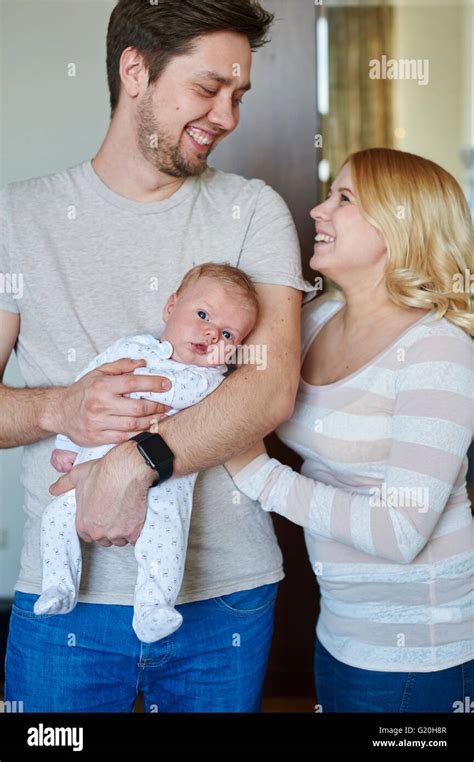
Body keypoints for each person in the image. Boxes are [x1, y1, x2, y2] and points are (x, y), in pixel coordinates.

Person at [1, 0, 316, 712]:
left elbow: (269, 388)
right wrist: (60, 406)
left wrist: (131, 464)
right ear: (134, 70)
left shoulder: (253, 211)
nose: (228, 116)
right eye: (209, 89)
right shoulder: (18, 217)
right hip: (67, 598)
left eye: (239, 95)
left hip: (223, 600)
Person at [226, 147, 474, 713]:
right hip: (340, 629)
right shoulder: (312, 323)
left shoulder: (438, 351)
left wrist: (257, 474)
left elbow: (398, 532)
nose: (318, 210)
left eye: (344, 199)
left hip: (418, 654)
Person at [35, 263, 259, 645]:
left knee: (168, 534)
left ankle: (154, 608)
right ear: (170, 307)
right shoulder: (133, 350)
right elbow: (86, 390)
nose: (210, 332)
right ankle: (57, 585)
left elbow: (232, 419)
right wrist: (67, 444)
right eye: (203, 315)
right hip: (94, 465)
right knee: (56, 515)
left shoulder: (214, 381)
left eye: (226, 334)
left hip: (166, 481)